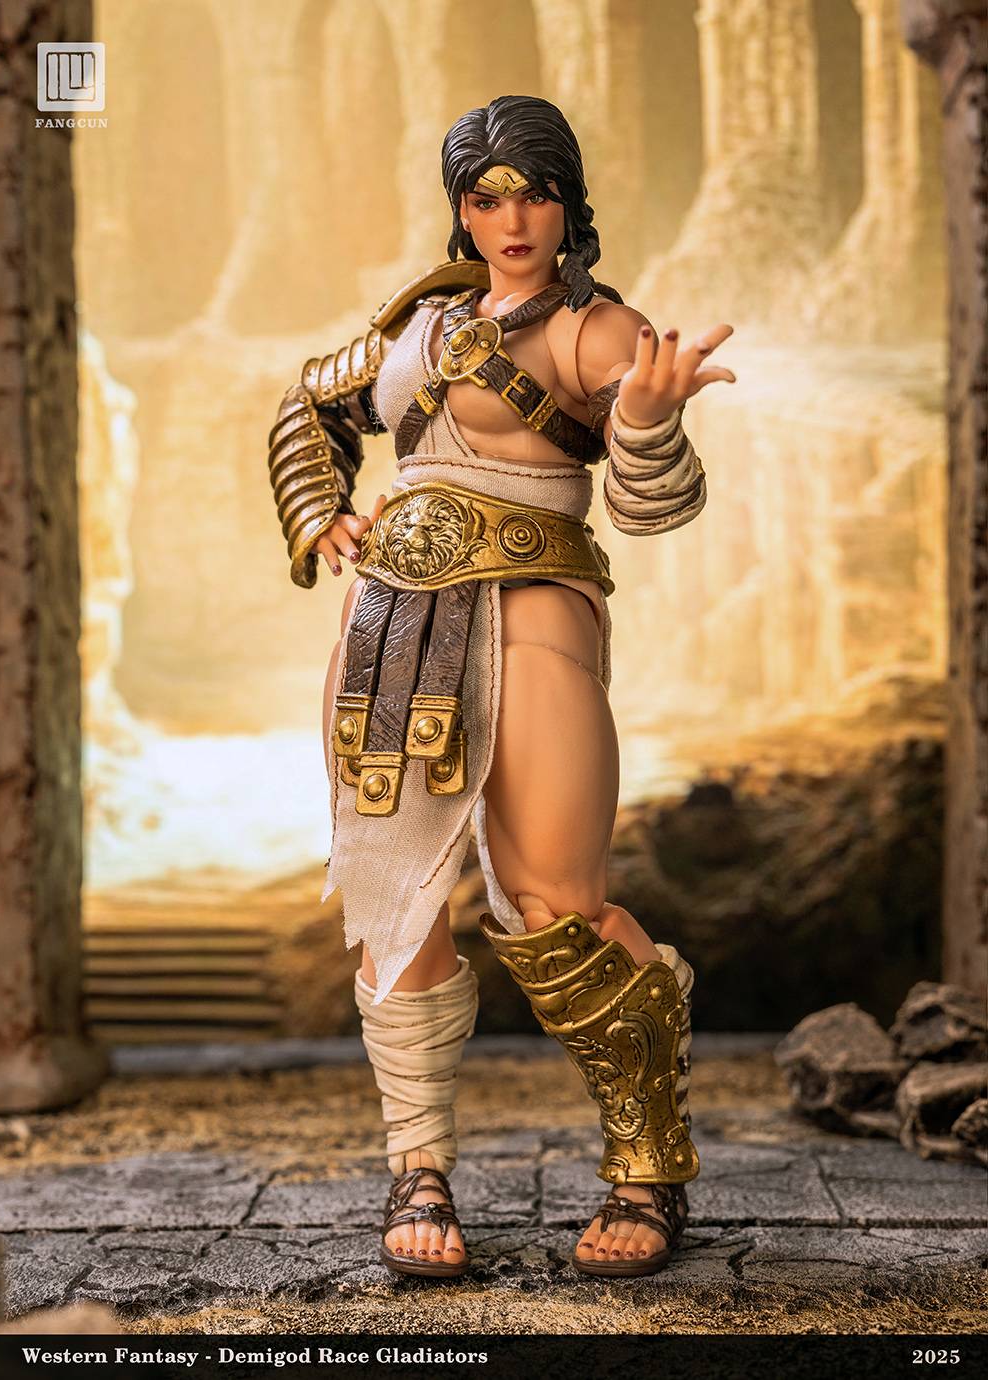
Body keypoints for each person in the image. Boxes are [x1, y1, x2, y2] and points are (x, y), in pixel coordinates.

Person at [267, 95, 735, 1280]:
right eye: (485, 197)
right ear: (460, 211)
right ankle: (416, 1167)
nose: (511, 219)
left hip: (530, 611)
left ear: (569, 202)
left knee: (555, 904)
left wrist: (646, 420)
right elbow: (307, 403)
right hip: (387, 625)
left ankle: (647, 1166)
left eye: (534, 193)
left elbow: (653, 504)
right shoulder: (422, 322)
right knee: (395, 898)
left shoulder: (594, 330)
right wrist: (321, 513)